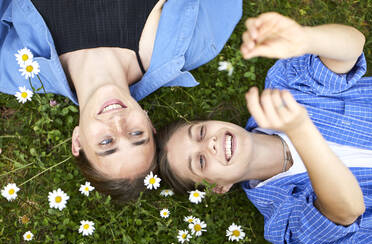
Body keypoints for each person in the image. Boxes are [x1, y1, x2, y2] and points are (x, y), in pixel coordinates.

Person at [157, 12, 372, 244]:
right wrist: (300, 130)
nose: (209, 144)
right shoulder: (284, 222)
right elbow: (349, 211)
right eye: (200, 161)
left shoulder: (285, 87)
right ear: (219, 187)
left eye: (200, 133)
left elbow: (353, 46)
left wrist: (306, 38)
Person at [0, 0, 242, 201]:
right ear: (149, 123)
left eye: (106, 142)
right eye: (137, 135)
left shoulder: (17, 69)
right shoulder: (194, 45)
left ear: (78, 142)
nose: (118, 124)